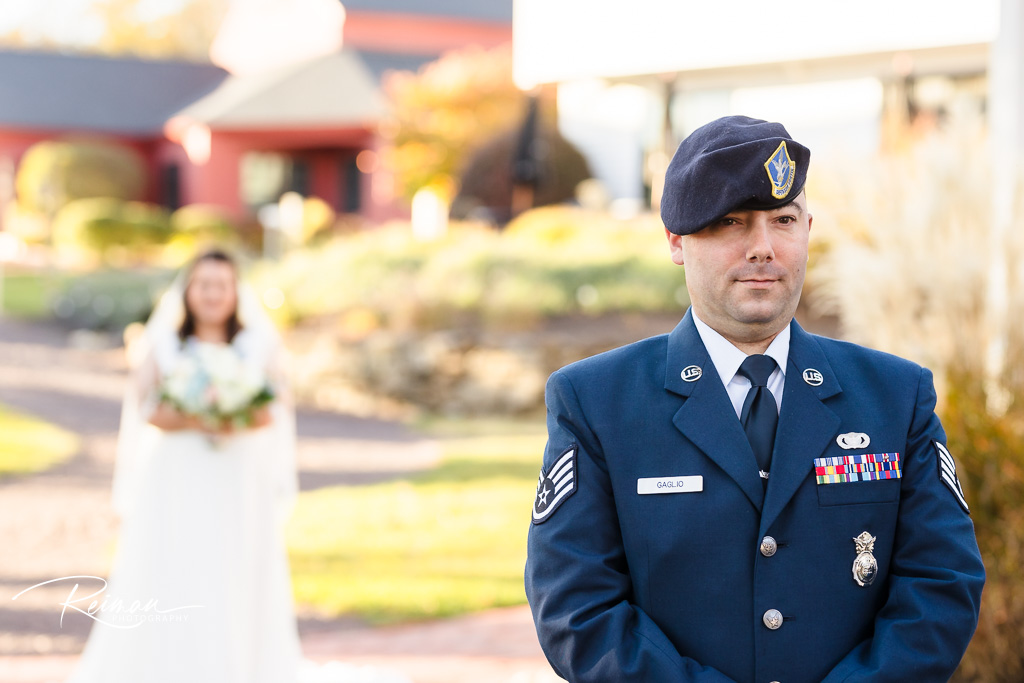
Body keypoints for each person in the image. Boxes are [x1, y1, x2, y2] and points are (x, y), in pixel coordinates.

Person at [524, 116, 985, 683]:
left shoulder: (896, 396)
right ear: (675, 240)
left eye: (783, 220)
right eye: (731, 222)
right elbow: (578, 609)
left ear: (808, 229)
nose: (763, 248)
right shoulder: (596, 403)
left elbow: (942, 584)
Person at [67, 248, 302, 683]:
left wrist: (231, 415)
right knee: (173, 560)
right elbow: (147, 407)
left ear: (236, 292)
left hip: (238, 474)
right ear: (188, 290)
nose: (213, 295)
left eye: (222, 285)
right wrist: (200, 415)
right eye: (204, 285)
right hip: (175, 472)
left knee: (234, 566)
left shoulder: (259, 344)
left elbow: (274, 407)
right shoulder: (163, 343)